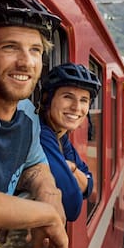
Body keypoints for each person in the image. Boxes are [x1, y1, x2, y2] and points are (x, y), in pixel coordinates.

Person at [0, 0, 68, 248]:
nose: (26, 62)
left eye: (35, 50)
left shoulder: (26, 113)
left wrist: (48, 192)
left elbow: (34, 164)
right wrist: (45, 214)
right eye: (10, 47)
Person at [38, 63, 100, 222]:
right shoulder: (42, 135)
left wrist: (69, 167)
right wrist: (73, 169)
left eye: (84, 100)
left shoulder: (61, 137)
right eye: (67, 97)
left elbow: (89, 186)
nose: (76, 107)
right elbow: (72, 205)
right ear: (47, 99)